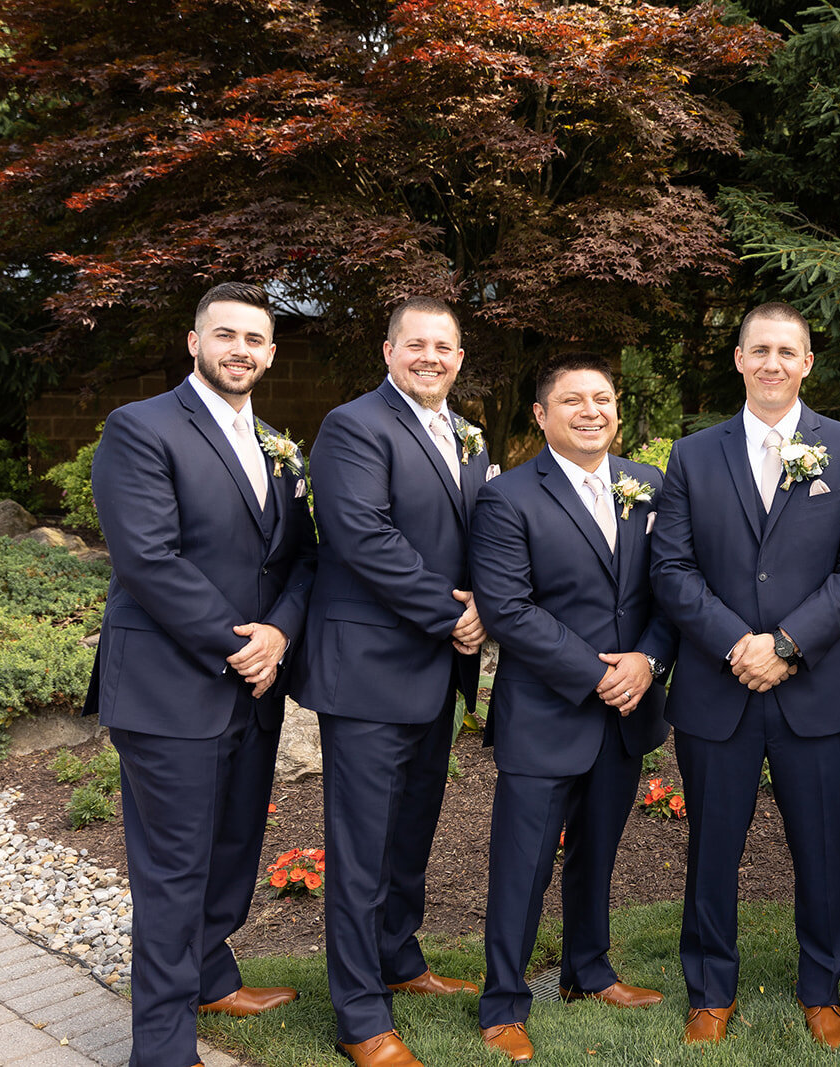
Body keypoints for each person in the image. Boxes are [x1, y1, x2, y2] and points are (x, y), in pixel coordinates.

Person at [88, 282, 317, 1067]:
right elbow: (148, 558)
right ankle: (160, 1047)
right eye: (226, 335)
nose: (241, 350)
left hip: (251, 689)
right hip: (168, 687)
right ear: (194, 341)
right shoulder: (141, 428)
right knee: (173, 872)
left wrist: (281, 631)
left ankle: (212, 974)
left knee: (231, 852)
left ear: (272, 352)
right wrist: (238, 643)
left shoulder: (282, 445)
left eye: (255, 339)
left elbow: (300, 557)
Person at [649, 302, 840, 1049]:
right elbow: (672, 568)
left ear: (808, 362)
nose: (773, 362)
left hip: (817, 688)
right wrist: (735, 644)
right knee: (712, 849)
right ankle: (709, 990)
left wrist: (785, 643)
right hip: (717, 689)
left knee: (822, 848)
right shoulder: (693, 454)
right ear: (739, 359)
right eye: (760, 350)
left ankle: (822, 989)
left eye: (788, 351)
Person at [291, 296, 490, 1067]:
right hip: (370, 671)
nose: (431, 356)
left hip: (435, 672)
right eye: (417, 344)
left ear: (459, 356)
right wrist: (453, 615)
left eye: (444, 345)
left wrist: (484, 609)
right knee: (362, 845)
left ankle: (399, 960)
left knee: (410, 831)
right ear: (388, 350)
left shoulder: (463, 436)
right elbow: (362, 536)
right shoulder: (354, 426)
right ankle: (360, 1016)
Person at [469, 355, 677, 1062]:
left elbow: (669, 589)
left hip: (626, 711)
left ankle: (589, 971)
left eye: (604, 398)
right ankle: (502, 1002)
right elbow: (508, 608)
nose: (592, 411)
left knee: (599, 855)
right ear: (541, 414)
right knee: (523, 864)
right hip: (547, 711)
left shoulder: (647, 485)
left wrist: (647, 660)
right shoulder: (510, 498)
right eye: (573, 400)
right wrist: (596, 675)